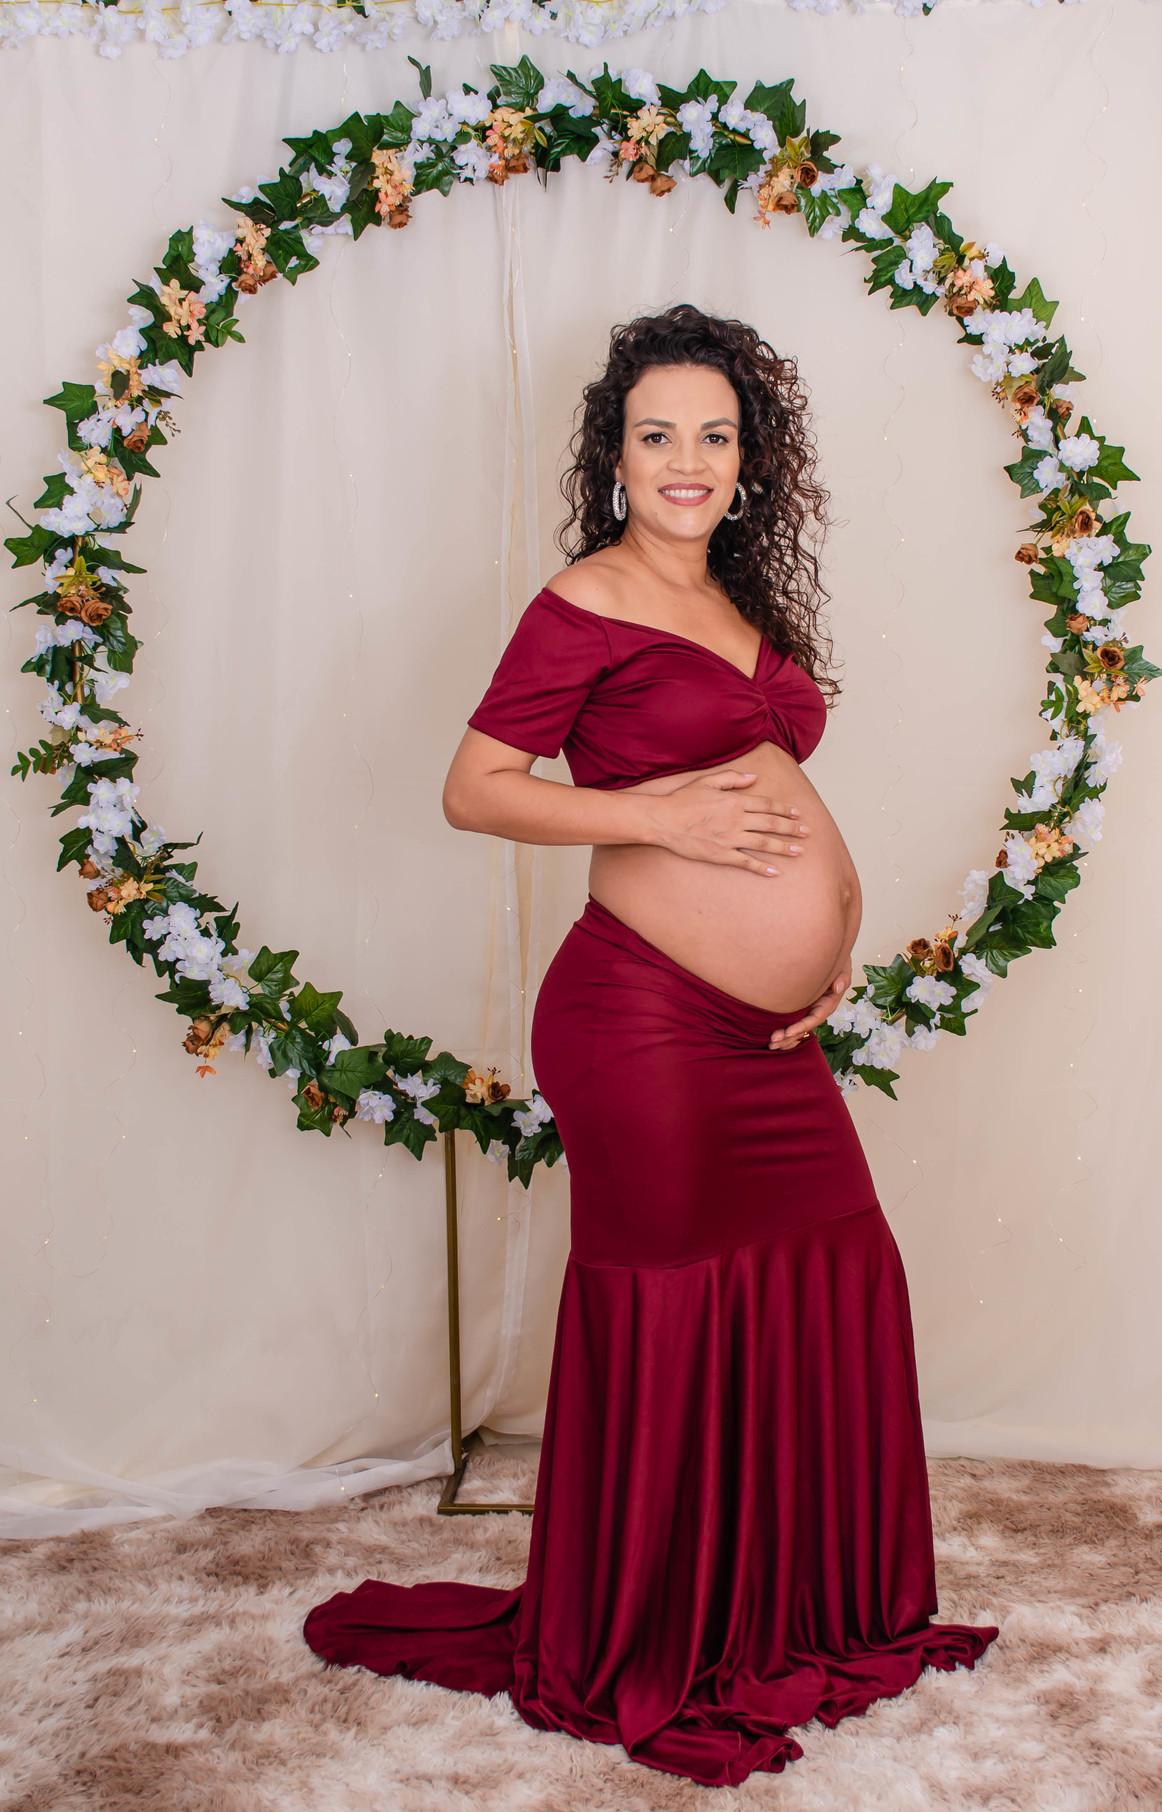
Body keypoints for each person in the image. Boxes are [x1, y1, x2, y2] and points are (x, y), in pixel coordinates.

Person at [303, 303, 999, 1788]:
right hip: (641, 1022)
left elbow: (773, 789)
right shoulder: (585, 601)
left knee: (832, 1260)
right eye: (657, 434)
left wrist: (829, 925)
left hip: (762, 1037)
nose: (688, 459)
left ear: (750, 462)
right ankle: (651, 1636)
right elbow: (476, 788)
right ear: (613, 459)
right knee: (676, 1311)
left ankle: (795, 1610)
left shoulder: (737, 602)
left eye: (716, 435)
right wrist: (659, 817)